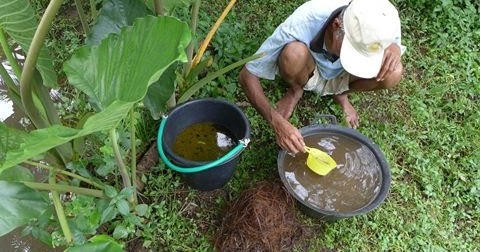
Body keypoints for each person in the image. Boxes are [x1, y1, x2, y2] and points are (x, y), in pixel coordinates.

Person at [238, 0, 405, 154]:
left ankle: (341, 92)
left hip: (344, 76)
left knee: (394, 72)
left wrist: (395, 49)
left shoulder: (380, 17)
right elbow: (247, 75)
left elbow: (394, 38)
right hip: (309, 66)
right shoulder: (304, 21)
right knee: (293, 53)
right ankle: (295, 90)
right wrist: (276, 122)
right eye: (351, 51)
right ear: (336, 25)